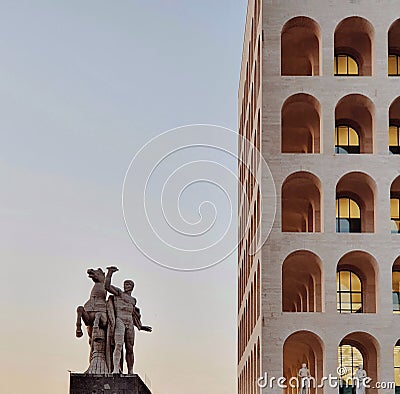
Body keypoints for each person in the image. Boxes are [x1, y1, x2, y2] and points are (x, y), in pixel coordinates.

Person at [105, 266, 152, 374]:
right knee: (119, 345)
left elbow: (134, 315)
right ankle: (116, 368)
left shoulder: (133, 300)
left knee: (130, 348)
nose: (127, 286)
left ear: (132, 287)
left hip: (130, 322)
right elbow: (107, 286)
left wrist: (141, 326)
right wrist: (110, 273)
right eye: (125, 284)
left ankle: (130, 371)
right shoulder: (119, 293)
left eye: (129, 284)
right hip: (119, 320)